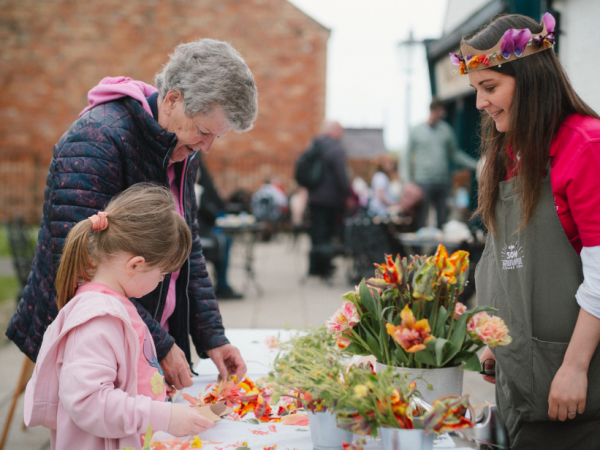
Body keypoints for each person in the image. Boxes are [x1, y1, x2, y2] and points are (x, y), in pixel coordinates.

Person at [6, 39, 258, 392]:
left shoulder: (183, 149)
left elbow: (188, 251)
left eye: (217, 136)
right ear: (172, 99)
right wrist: (158, 342)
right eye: (203, 131)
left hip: (147, 331)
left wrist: (212, 337)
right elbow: (81, 265)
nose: (207, 147)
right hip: (94, 338)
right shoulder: (96, 141)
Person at [451, 12, 600, 448]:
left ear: (531, 78)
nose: (480, 103)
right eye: (477, 89)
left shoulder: (586, 147)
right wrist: (500, 342)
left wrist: (573, 367)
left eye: (490, 87)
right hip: (522, 379)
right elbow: (505, 260)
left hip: (575, 383)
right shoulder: (509, 152)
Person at [24, 184, 215, 449]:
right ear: (135, 265)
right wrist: (162, 416)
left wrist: (149, 389)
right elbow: (88, 401)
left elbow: (119, 376)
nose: (161, 281)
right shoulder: (98, 318)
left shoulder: (116, 304)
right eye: (161, 274)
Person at [408, 98, 478, 229]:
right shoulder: (416, 130)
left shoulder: (446, 130)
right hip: (423, 181)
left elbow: (455, 154)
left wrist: (475, 164)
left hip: (443, 181)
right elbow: (407, 156)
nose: (442, 115)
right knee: (421, 219)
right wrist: (408, 181)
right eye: (440, 112)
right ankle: (418, 249)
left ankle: (440, 249)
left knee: (442, 219)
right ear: (432, 111)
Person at [306, 120, 351, 277]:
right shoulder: (335, 148)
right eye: (341, 130)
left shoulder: (315, 145)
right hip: (330, 199)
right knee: (327, 235)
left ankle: (314, 267)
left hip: (314, 197)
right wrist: (348, 193)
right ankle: (325, 269)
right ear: (335, 130)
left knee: (316, 234)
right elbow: (341, 175)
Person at [196, 153, 243, 300]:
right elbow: (212, 215)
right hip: (198, 236)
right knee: (224, 242)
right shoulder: (198, 190)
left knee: (223, 240)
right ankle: (222, 285)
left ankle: (221, 284)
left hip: (197, 233)